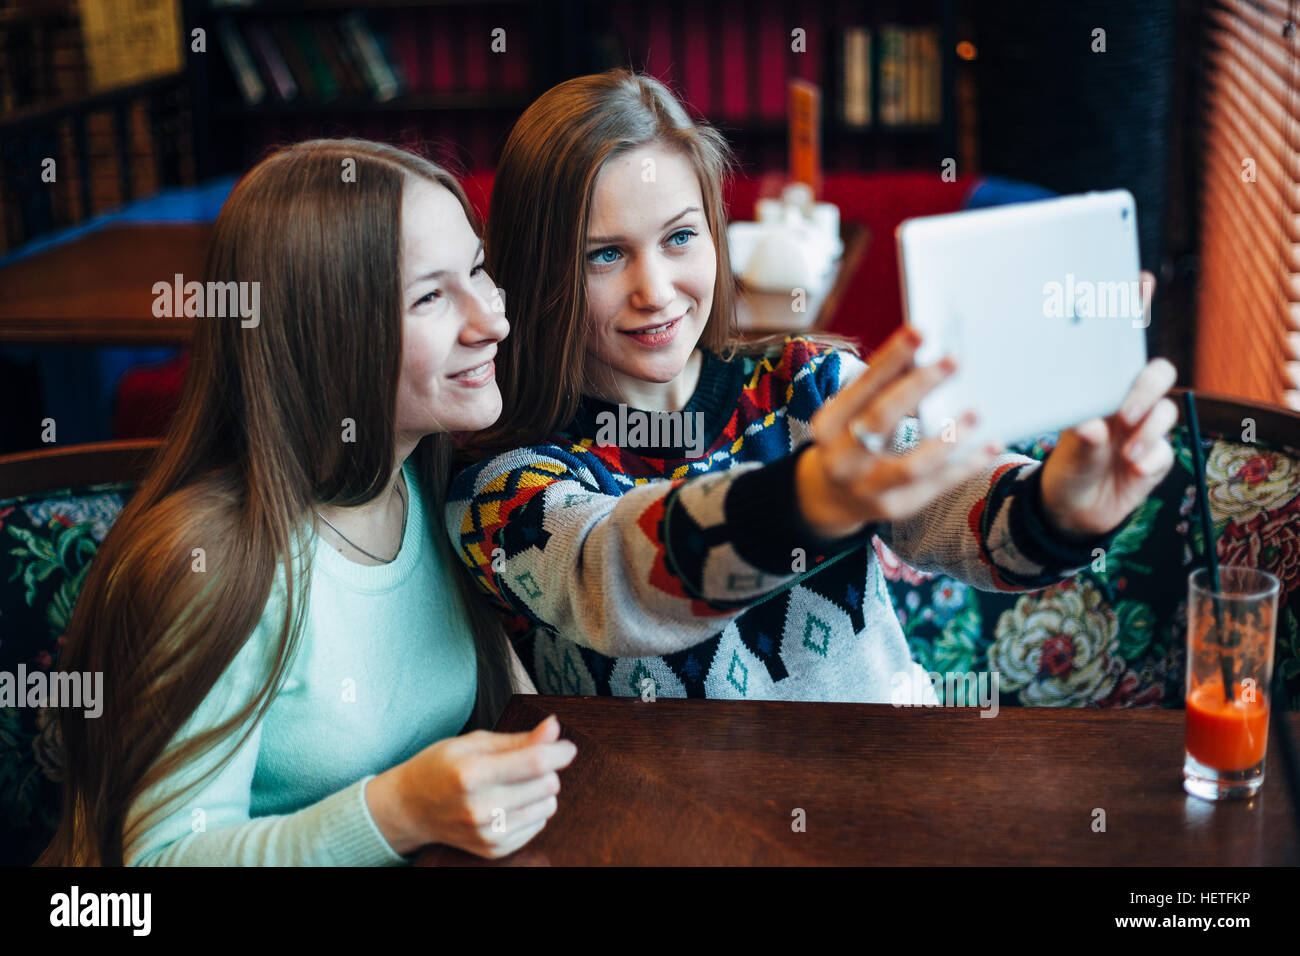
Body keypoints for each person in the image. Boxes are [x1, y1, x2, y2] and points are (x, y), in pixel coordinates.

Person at [446, 69, 1179, 702]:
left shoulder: (805, 384)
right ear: (538, 270)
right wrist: (811, 497)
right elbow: (619, 580)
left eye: (679, 237)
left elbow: (963, 515)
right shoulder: (498, 486)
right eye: (605, 255)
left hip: (887, 792)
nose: (657, 290)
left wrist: (1061, 504)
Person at [38, 139, 576, 867]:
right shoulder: (218, 564)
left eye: (478, 270)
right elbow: (158, 862)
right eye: (429, 297)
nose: (492, 322)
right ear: (323, 335)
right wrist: (397, 811)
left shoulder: (434, 478)